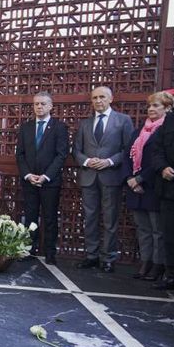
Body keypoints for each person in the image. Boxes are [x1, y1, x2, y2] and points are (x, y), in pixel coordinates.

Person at [73, 86, 134, 273]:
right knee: (90, 218)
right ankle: (91, 255)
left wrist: (109, 161)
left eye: (102, 97)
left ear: (110, 99)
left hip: (111, 176)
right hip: (89, 177)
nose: (98, 101)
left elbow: (129, 149)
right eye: (95, 98)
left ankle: (108, 258)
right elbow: (76, 150)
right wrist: (87, 161)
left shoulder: (123, 120)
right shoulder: (85, 124)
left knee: (110, 219)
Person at [15, 92, 69, 265]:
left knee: (50, 217)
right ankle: (29, 249)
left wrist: (46, 176)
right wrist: (28, 175)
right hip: (29, 180)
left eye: (43, 104)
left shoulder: (59, 127)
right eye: (36, 104)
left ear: (51, 106)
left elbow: (61, 155)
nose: (39, 106)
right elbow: (20, 154)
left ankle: (50, 253)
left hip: (50, 181)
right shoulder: (26, 127)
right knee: (30, 216)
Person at [124, 91, 172, 280]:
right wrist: (130, 178)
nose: (151, 109)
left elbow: (158, 160)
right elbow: (127, 155)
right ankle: (146, 262)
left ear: (167, 108)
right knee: (142, 228)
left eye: (156, 106)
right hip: (135, 187)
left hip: (152, 186)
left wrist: (141, 179)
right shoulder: (139, 131)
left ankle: (158, 265)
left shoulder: (165, 131)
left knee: (157, 230)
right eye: (150, 106)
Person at [151, 97, 174, 290]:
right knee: (169, 235)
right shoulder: (169, 122)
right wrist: (163, 167)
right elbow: (156, 150)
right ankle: (171, 275)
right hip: (169, 189)